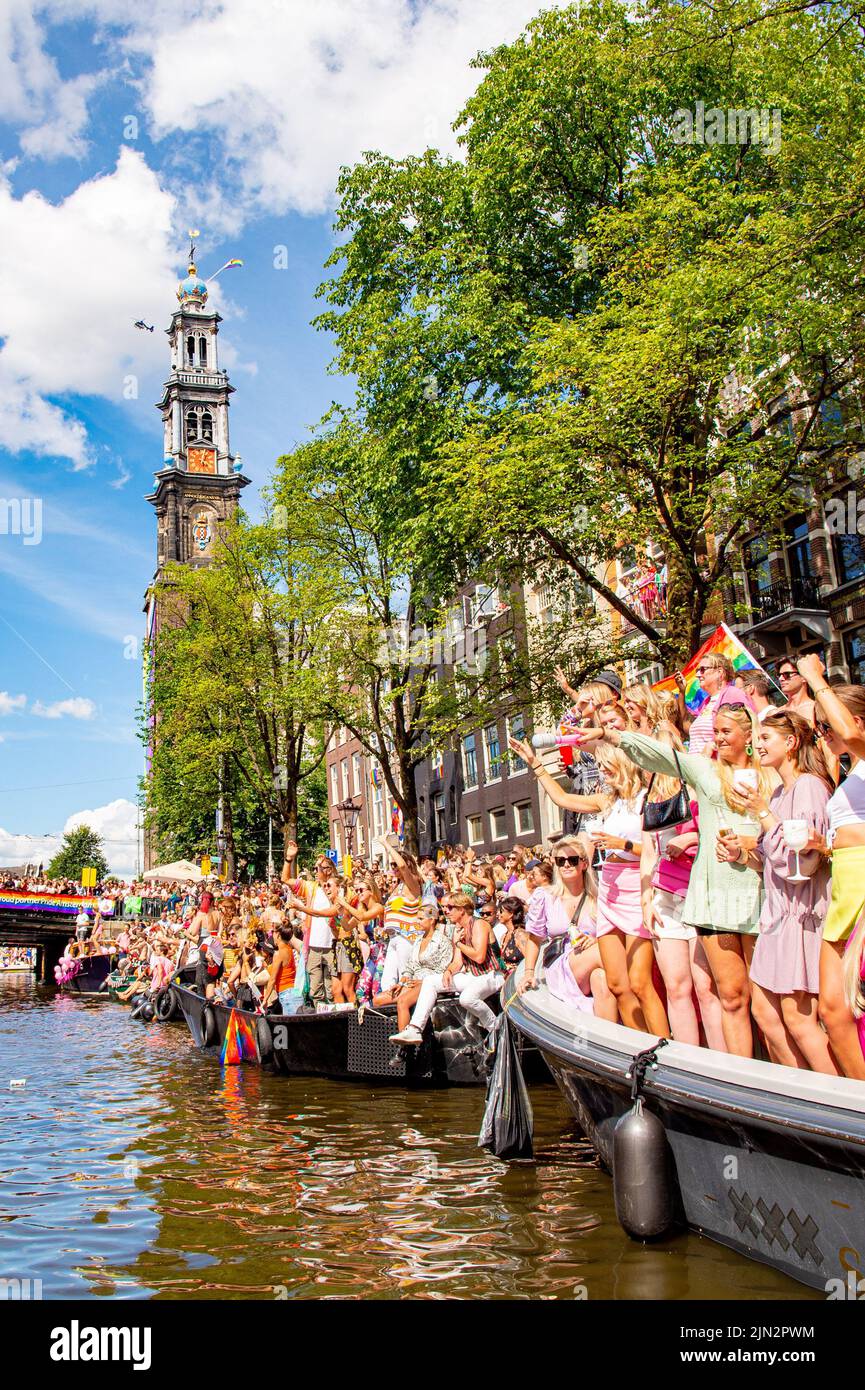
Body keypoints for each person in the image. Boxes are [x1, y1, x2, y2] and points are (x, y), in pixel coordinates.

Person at [570, 703, 770, 1058]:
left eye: (727, 732)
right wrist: (607, 735)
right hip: (715, 897)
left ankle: (788, 1080)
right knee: (731, 995)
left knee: (766, 1000)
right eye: (716, 732)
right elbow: (658, 755)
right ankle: (738, 1075)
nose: (719, 739)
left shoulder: (769, 777)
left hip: (759, 893)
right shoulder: (706, 772)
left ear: (749, 736)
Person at [510, 734, 666, 1034]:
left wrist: (623, 844)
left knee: (640, 981)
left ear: (623, 765)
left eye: (608, 767)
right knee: (619, 984)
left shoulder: (647, 799)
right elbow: (564, 799)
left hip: (636, 886)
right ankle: (634, 1044)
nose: (603, 773)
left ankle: (663, 1045)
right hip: (610, 889)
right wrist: (535, 764)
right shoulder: (608, 801)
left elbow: (655, 851)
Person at [731, 710, 836, 1073]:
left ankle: (838, 1100)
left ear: (790, 743)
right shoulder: (778, 791)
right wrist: (743, 854)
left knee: (799, 1016)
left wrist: (761, 812)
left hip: (800, 914)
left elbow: (800, 864)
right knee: (763, 1010)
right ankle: (800, 1092)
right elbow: (773, 861)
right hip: (776, 914)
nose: (756, 745)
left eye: (765, 739)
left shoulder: (809, 786)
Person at [794, 655, 865, 1078]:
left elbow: (848, 732)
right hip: (844, 886)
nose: (824, 734)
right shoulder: (850, 771)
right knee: (832, 1009)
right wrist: (827, 847)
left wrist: (814, 678)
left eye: (827, 725)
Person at [639, 727, 716, 1048]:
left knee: (706, 987)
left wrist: (691, 837)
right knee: (677, 986)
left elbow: (720, 833)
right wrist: (646, 900)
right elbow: (648, 852)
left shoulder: (698, 788)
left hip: (700, 896)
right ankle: (689, 1060)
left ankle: (723, 1064)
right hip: (665, 899)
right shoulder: (650, 797)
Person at [519, 834, 615, 1019]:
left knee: (600, 978)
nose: (566, 865)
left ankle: (609, 1040)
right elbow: (534, 938)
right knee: (608, 955)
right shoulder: (545, 896)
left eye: (572, 860)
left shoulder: (598, 896)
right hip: (561, 963)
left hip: (592, 958)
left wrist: (594, 940)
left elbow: (611, 934)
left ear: (584, 864)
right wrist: (529, 972)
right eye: (560, 861)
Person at [390, 892, 504, 1045]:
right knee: (430, 981)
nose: (446, 911)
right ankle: (415, 1029)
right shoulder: (459, 930)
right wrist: (449, 971)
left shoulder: (479, 924)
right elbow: (457, 962)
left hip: (492, 975)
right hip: (473, 976)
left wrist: (458, 943)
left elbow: (479, 957)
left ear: (462, 910)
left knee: (467, 998)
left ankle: (496, 1028)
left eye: (451, 907)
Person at [375, 904, 457, 1031]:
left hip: (429, 983)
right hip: (412, 983)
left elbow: (443, 969)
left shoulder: (442, 941)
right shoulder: (418, 940)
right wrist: (401, 982)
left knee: (403, 1002)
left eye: (420, 919)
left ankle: (405, 1042)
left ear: (432, 920)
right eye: (417, 918)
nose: (416, 922)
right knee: (377, 1000)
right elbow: (410, 967)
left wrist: (423, 981)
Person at [685, 653, 744, 754]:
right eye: (697, 670)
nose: (697, 675)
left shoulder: (733, 694)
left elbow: (745, 730)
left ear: (719, 672)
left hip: (719, 766)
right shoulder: (705, 703)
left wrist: (712, 746)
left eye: (703, 669)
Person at [776, 657, 816, 722]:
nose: (781, 679)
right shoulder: (775, 714)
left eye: (786, 675)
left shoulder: (816, 710)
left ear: (803, 677)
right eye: (779, 675)